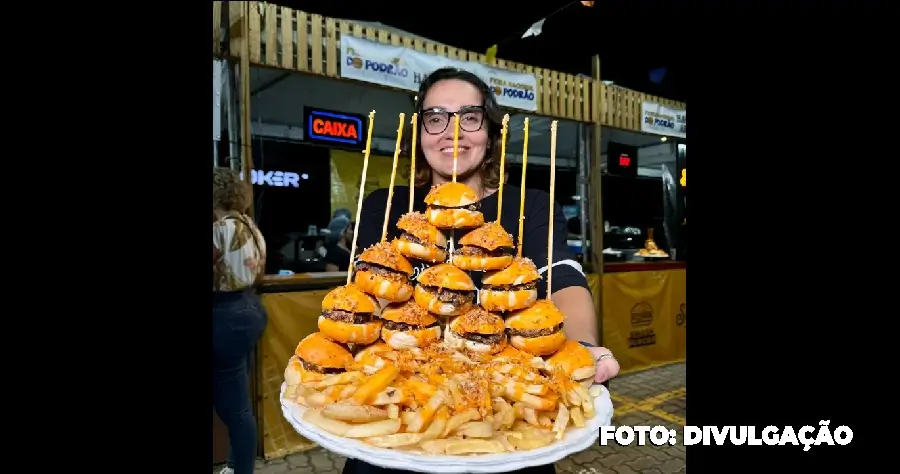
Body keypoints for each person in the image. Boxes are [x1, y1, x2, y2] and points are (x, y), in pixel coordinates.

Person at [343, 68, 620, 474]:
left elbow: (561, 276)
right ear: (419, 134)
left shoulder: (530, 204)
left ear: (489, 134)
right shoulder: (387, 206)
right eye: (436, 117)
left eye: (469, 117)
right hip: (400, 419)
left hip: (506, 431)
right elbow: (363, 294)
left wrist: (584, 347)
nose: (452, 132)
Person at [213, 168, 268, 474]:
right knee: (239, 399)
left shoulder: (219, 230)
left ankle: (241, 469)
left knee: (233, 409)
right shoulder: (250, 226)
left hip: (223, 316)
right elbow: (258, 274)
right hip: (249, 309)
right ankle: (236, 466)